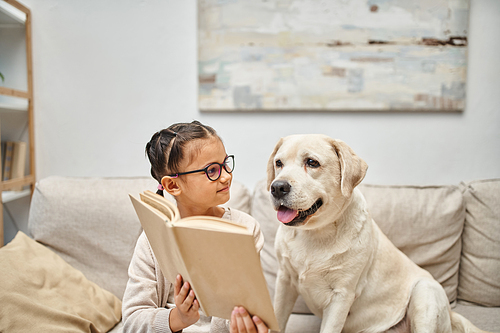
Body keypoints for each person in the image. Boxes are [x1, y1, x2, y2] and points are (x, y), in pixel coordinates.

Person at [122, 120, 269, 333]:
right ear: (172, 185)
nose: (227, 176)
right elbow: (132, 322)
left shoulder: (245, 228)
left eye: (225, 164)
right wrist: (178, 318)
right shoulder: (151, 240)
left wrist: (245, 323)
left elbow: (248, 303)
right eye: (212, 170)